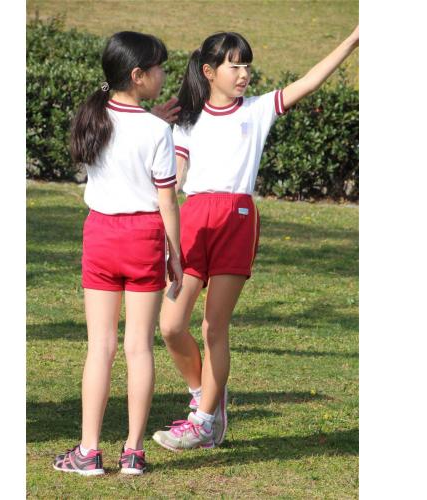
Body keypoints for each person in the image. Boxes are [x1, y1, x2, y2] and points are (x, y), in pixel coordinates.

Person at [152, 27, 359, 451]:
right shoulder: (187, 119)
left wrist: (354, 39)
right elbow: (174, 178)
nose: (244, 74)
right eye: (234, 66)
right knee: (171, 326)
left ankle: (204, 421)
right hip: (194, 220)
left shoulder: (259, 109)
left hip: (237, 219)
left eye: (247, 65)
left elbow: (310, 81)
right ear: (209, 71)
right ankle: (205, 395)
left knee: (213, 327)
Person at [52, 31, 183, 476]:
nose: (163, 74)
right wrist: (176, 255)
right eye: (159, 67)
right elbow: (167, 201)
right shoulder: (157, 130)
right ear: (138, 75)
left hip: (101, 235)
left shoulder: (91, 117)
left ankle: (89, 452)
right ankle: (133, 452)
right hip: (144, 237)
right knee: (139, 347)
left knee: (100, 347)